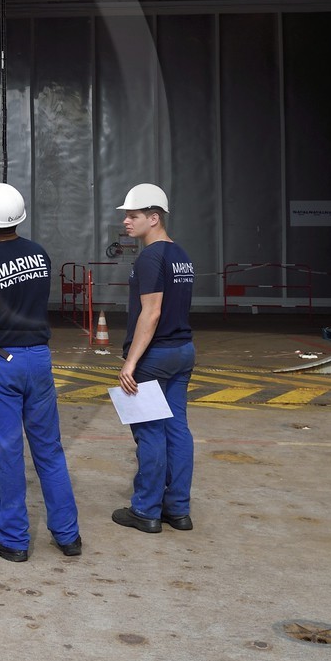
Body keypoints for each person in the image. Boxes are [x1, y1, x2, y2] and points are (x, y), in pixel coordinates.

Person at [0, 182, 82, 562]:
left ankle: (13, 539)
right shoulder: (39, 255)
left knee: (8, 452)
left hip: (2, 361)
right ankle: (68, 535)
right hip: (39, 359)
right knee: (49, 450)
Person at [112, 183, 196, 535]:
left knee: (150, 433)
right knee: (177, 429)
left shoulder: (150, 257)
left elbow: (152, 312)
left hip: (155, 356)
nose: (127, 222)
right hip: (183, 351)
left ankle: (145, 510)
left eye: (133, 216)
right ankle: (177, 510)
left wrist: (130, 363)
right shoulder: (181, 255)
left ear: (154, 217)